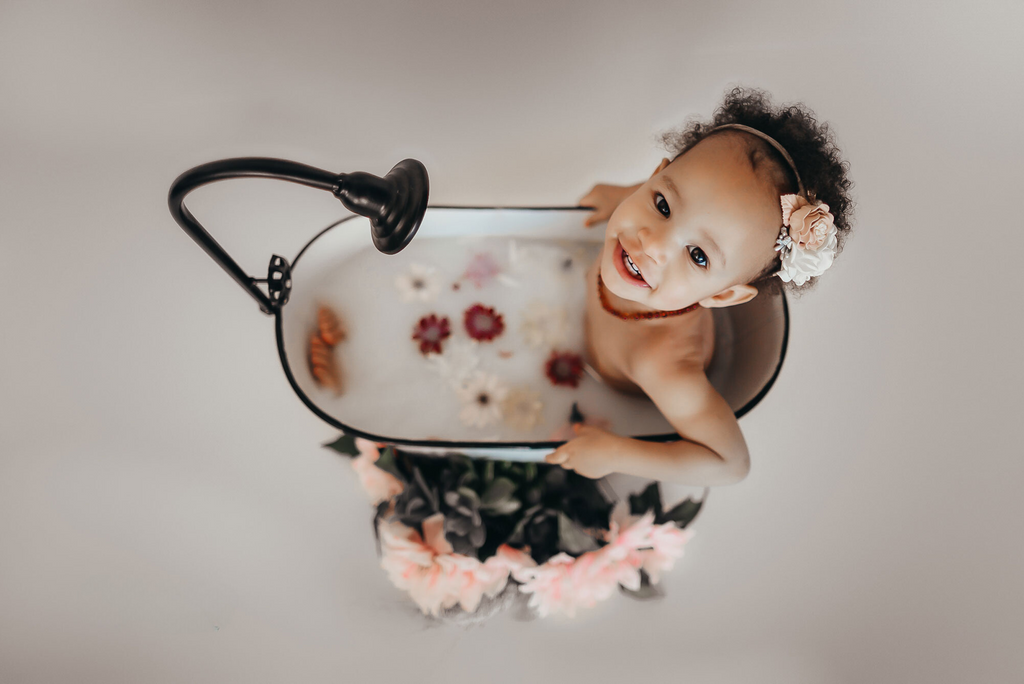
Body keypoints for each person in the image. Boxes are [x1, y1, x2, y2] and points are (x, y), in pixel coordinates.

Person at [544, 87, 854, 486]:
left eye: (698, 256)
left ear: (722, 296)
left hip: (614, 388)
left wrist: (616, 452)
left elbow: (730, 464)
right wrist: (624, 195)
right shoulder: (647, 252)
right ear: (655, 175)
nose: (651, 245)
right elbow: (690, 199)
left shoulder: (665, 367)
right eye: (662, 206)